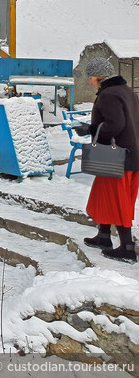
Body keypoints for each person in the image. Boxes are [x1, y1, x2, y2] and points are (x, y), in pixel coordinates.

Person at [76, 58, 139, 263]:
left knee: (118, 200)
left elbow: (115, 125)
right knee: (103, 195)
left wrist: (90, 129)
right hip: (131, 156)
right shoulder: (126, 91)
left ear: (100, 76)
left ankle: (127, 249)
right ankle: (103, 237)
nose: (90, 81)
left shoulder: (108, 95)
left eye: (91, 77)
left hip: (117, 158)